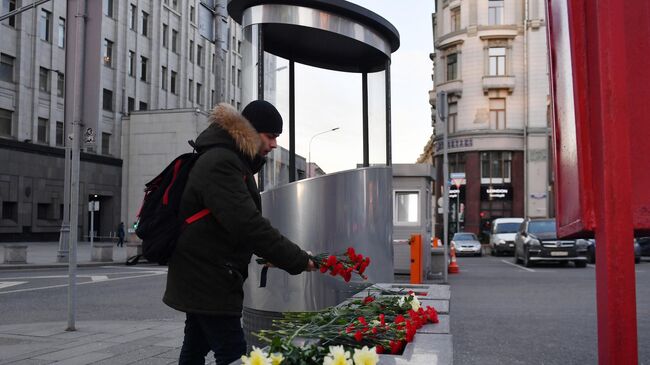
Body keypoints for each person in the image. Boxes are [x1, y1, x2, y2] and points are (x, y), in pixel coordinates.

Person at [163, 100, 316, 365]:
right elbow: (248, 225)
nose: (274, 144)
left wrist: (274, 256)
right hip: (210, 276)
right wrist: (298, 259)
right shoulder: (221, 162)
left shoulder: (228, 159)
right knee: (233, 353)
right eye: (271, 136)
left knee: (195, 346)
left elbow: (230, 223)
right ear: (250, 131)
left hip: (205, 273)